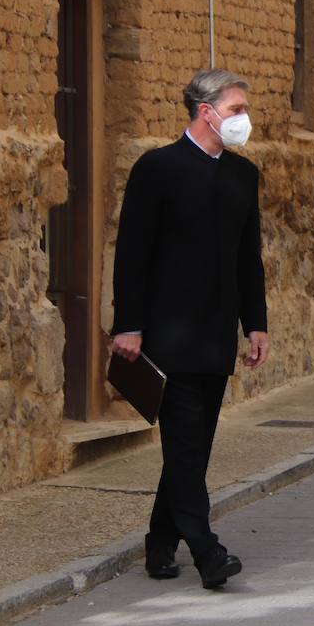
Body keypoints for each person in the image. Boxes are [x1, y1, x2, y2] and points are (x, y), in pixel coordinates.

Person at [111, 68, 268, 589]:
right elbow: (131, 254)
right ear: (207, 112)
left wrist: (256, 325)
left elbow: (250, 259)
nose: (245, 118)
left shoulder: (244, 176)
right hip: (167, 334)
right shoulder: (157, 168)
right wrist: (128, 325)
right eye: (237, 109)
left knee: (193, 447)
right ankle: (207, 552)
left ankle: (159, 543)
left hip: (216, 334)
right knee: (182, 443)